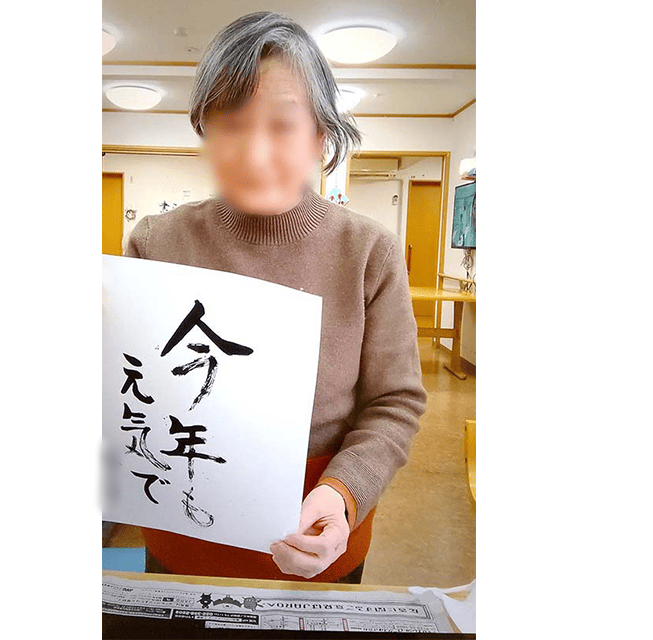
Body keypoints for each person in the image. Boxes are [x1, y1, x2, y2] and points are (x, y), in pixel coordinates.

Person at [124, 11, 427, 584]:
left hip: (318, 530)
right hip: (182, 523)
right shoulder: (156, 243)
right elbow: (130, 388)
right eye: (230, 122)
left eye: (283, 124)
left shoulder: (368, 252)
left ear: (321, 134)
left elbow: (395, 402)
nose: (255, 151)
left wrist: (343, 492)